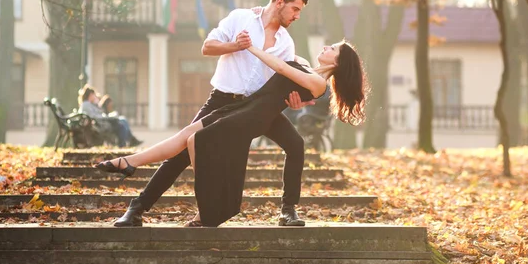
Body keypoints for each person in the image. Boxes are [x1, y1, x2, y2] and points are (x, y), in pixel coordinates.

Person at [106, 0, 312, 228]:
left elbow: (286, 79)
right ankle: (137, 208)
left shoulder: (286, 43)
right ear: (279, 2)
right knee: (181, 154)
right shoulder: (241, 18)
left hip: (256, 108)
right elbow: (207, 47)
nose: (297, 15)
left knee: (295, 144)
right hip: (222, 99)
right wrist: (235, 45)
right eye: (295, 9)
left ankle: (288, 210)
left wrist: (295, 101)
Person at [95, 40, 367, 227]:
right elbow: (282, 77)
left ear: (338, 62)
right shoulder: (305, 63)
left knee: (197, 141)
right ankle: (130, 162)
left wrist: (252, 47)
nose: (326, 46)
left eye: (332, 48)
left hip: (253, 116)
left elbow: (281, 68)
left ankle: (212, 210)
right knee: (184, 136)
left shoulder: (319, 82)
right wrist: (301, 101)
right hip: (243, 106)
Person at [78, 85, 143, 148]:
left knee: (122, 121)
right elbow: (95, 117)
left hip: (101, 122)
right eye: (93, 95)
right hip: (100, 125)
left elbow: (99, 113)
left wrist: (97, 103)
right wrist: (107, 117)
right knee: (121, 125)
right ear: (90, 95)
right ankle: (124, 144)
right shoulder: (86, 104)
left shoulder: (90, 104)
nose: (95, 96)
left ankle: (129, 141)